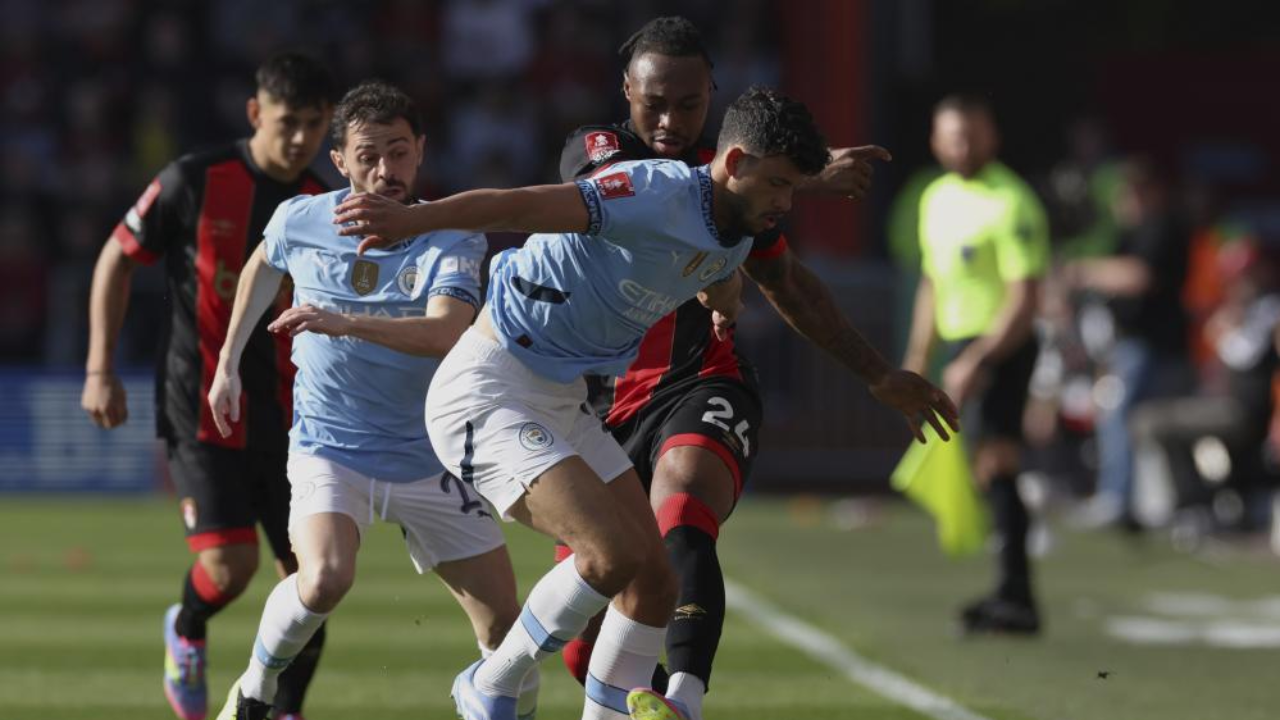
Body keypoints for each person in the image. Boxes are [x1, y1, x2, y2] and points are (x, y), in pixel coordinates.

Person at [338, 86, 952, 720]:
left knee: (655, 581)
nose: (784, 204)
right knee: (611, 556)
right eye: (777, 185)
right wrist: (416, 218)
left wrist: (749, 310)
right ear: (735, 163)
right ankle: (489, 683)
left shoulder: (736, 227)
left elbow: (754, 278)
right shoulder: (649, 191)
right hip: (488, 388)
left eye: (794, 189)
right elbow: (520, 204)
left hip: (560, 400)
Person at [551, 17, 959, 720]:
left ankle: (685, 702)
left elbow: (791, 286)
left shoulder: (739, 179)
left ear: (712, 92)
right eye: (655, 101)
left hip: (703, 383)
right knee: (585, 643)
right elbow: (646, 203)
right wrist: (787, 172)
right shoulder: (598, 152)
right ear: (626, 91)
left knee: (683, 505)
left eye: (689, 102)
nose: (671, 118)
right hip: (603, 411)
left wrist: (875, 372)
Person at [206, 80, 539, 720]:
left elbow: (445, 332)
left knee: (506, 635)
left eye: (398, 152)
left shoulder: (451, 233)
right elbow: (262, 265)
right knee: (325, 578)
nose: (385, 170)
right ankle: (253, 690)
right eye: (367, 154)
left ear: (420, 150)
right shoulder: (300, 218)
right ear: (339, 160)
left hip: (432, 454)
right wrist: (227, 365)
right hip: (332, 448)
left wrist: (343, 321)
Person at [81, 52, 336, 720]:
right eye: (288, 122)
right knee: (230, 568)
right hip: (199, 403)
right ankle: (188, 629)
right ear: (256, 113)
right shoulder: (194, 180)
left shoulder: (324, 206)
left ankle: (287, 709)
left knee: (312, 581)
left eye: (314, 124)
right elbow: (116, 257)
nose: (301, 137)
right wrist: (99, 368)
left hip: (293, 417)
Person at [903, 94, 1050, 635]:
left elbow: (1024, 298)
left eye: (972, 135)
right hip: (963, 347)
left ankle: (1018, 596)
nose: (962, 146)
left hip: (1001, 347)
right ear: (937, 142)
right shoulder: (936, 198)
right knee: (987, 469)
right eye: (952, 136)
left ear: (992, 137)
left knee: (999, 463)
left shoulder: (1012, 202)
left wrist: (980, 358)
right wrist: (917, 361)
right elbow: (932, 284)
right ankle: (1011, 589)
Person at [1061, 159, 1194, 530]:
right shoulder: (1128, 232)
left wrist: (1083, 271)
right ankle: (1128, 499)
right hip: (1128, 343)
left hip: (1154, 345)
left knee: (1121, 416)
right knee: (1118, 417)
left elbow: (1139, 275)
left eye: (1131, 193)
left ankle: (1117, 499)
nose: (1124, 202)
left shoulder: (1162, 227)